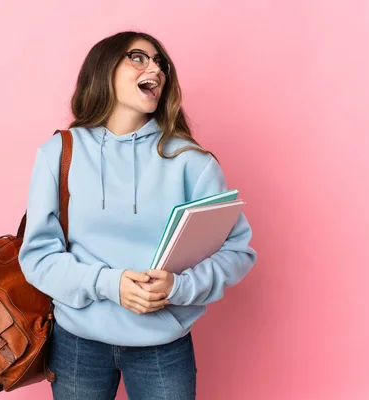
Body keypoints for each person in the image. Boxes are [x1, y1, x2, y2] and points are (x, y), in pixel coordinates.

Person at [19, 31, 257, 400]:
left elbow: (238, 252)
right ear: (104, 69)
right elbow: (37, 257)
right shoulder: (58, 154)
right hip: (78, 343)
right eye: (139, 58)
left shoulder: (191, 162)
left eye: (161, 62)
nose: (156, 69)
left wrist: (178, 288)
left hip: (162, 346)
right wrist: (110, 285)